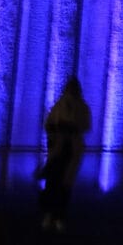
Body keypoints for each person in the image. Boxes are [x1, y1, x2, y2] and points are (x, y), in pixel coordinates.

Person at [40, 76, 92, 232]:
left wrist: (66, 128)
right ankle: (52, 216)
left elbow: (85, 126)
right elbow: (48, 124)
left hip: (67, 148)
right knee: (56, 184)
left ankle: (55, 216)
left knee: (61, 184)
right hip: (61, 148)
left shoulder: (75, 106)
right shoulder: (68, 106)